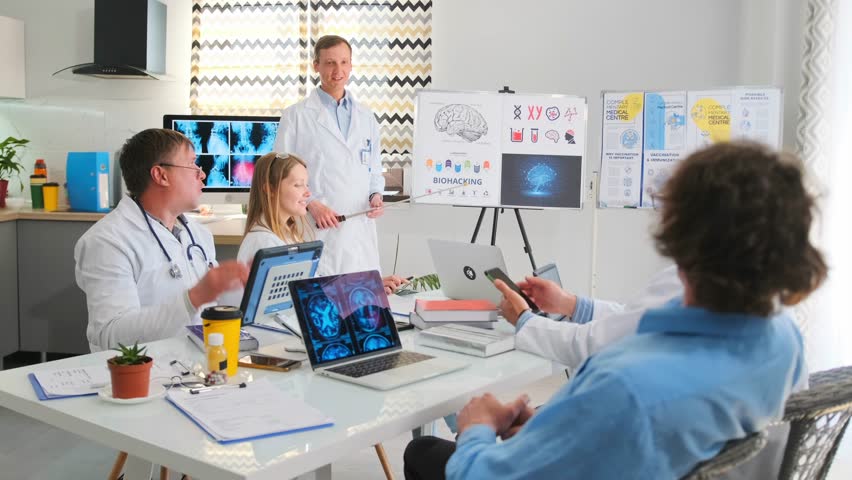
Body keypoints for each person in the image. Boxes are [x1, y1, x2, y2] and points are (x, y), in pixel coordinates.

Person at [403, 141, 827, 479]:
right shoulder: (781, 338)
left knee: (424, 451)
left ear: (678, 233)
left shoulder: (625, 387)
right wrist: (558, 430)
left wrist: (476, 428)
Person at [74, 129, 249, 352]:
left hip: (196, 361)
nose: (202, 174)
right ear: (161, 175)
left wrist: (246, 283)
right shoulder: (107, 242)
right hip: (144, 369)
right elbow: (111, 334)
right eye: (192, 164)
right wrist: (194, 298)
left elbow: (210, 308)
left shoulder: (197, 234)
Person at [273, 34, 385, 277]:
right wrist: (311, 204)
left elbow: (374, 169)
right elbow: (280, 173)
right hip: (317, 226)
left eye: (344, 62)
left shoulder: (366, 117)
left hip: (359, 229)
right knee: (321, 293)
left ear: (351, 65)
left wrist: (376, 195)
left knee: (362, 293)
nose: (338, 70)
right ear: (316, 66)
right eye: (330, 63)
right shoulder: (296, 116)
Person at [228, 151, 407, 297]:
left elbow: (314, 286)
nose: (308, 193)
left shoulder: (287, 236)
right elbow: (303, 298)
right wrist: (365, 288)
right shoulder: (264, 244)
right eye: (298, 185)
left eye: (307, 185)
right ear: (270, 189)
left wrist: (369, 285)